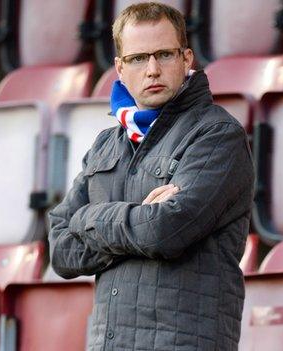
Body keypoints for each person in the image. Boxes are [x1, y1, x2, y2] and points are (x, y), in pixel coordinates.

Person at [48, 2, 254, 350]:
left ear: (187, 58)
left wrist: (88, 219)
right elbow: (61, 250)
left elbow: (165, 232)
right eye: (139, 58)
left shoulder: (218, 135)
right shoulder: (106, 145)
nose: (153, 69)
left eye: (164, 55)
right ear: (120, 68)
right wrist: (136, 219)